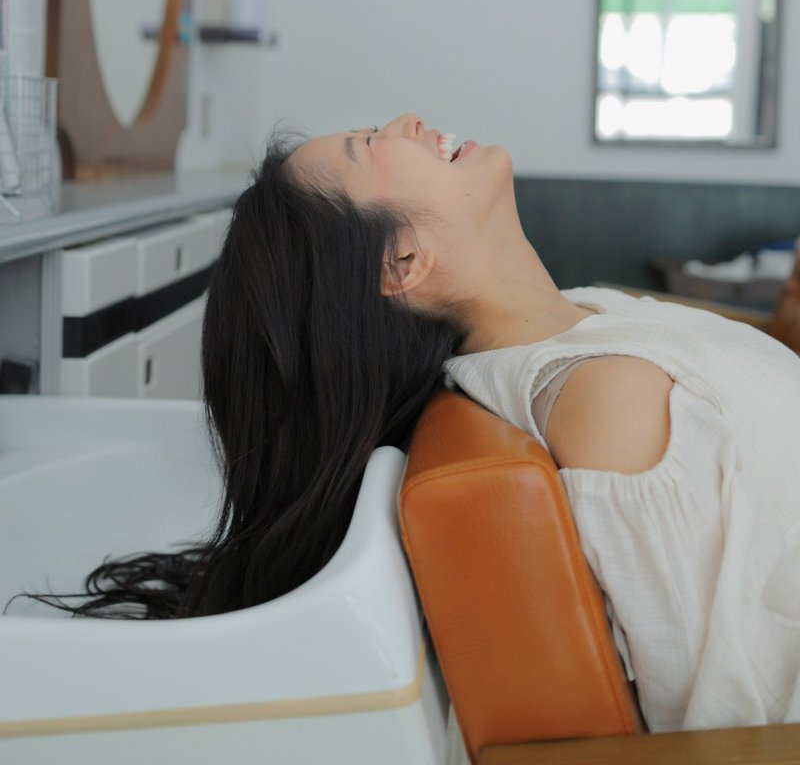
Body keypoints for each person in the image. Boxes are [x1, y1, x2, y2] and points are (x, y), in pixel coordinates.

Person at [23, 114, 800, 734]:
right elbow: (723, 721)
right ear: (399, 263)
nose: (408, 122)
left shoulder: (595, 316)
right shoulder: (611, 405)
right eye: (371, 146)